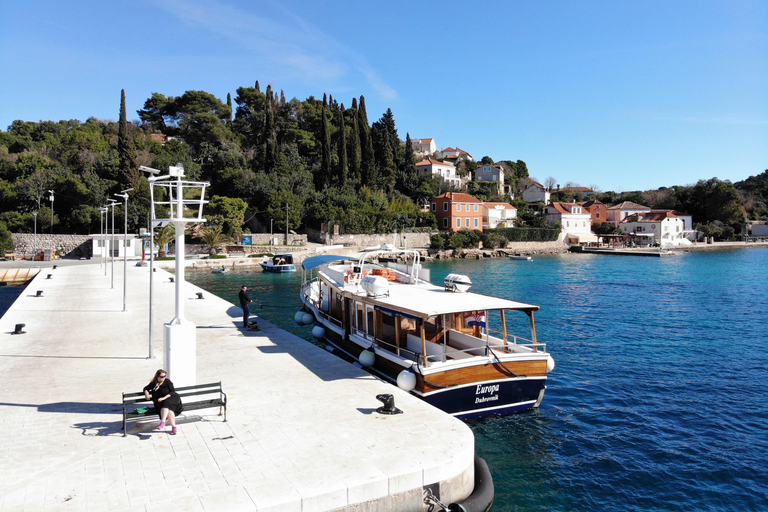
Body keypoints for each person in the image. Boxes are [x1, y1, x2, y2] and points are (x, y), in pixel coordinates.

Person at [143, 369, 183, 435]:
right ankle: (174, 427)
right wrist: (146, 393)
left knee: (166, 403)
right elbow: (146, 388)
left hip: (172, 399)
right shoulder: (154, 383)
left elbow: (172, 392)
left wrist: (163, 398)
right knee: (169, 411)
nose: (163, 378)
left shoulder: (167, 381)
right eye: (162, 376)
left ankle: (162, 422)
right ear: (157, 377)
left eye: (164, 376)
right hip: (161, 403)